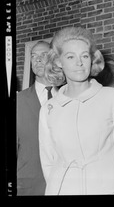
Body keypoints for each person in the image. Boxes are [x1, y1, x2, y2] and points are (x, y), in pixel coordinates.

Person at [38, 26, 114, 195]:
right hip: (63, 189)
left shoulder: (112, 97)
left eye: (84, 56)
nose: (79, 62)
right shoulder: (48, 109)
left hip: (108, 188)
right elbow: (48, 159)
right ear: (59, 62)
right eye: (70, 56)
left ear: (92, 59)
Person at [17, 40, 58, 195]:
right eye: (34, 56)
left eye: (44, 55)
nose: (38, 59)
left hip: (64, 185)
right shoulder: (18, 101)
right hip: (28, 187)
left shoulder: (68, 98)